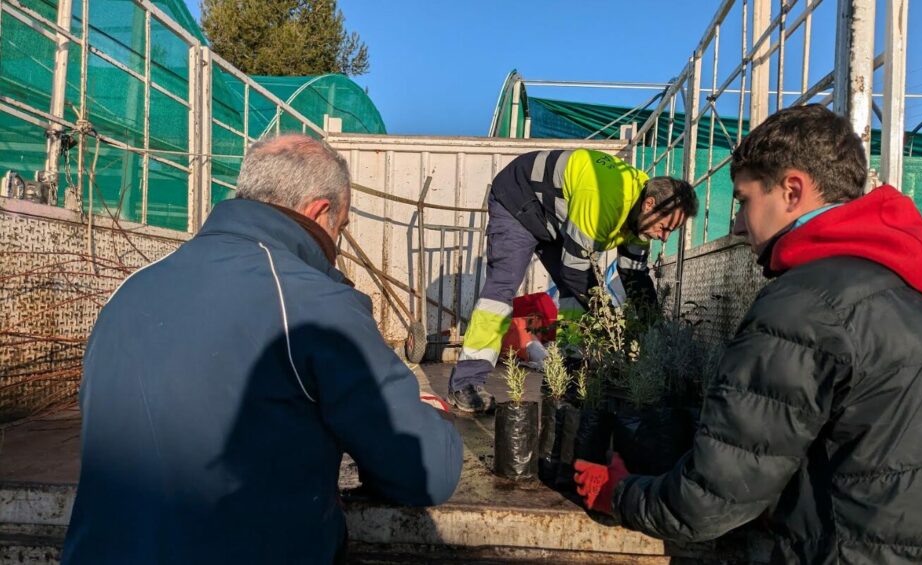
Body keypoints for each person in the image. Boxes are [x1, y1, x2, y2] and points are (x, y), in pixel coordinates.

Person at [573, 105, 922, 563]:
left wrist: (619, 492)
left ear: (792, 190)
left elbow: (714, 499)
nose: (738, 224)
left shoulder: (806, 305)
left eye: (744, 201)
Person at [63, 135, 463, 564]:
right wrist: (429, 408)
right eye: (342, 227)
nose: (339, 242)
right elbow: (426, 472)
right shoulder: (314, 302)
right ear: (320, 212)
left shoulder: (128, 291)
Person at [448, 148, 698, 413]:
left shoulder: (642, 220)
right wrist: (608, 320)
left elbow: (634, 278)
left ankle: (568, 376)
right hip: (519, 200)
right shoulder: (604, 197)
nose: (664, 238)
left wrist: (654, 329)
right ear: (650, 204)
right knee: (502, 288)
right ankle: (466, 383)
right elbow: (575, 270)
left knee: (574, 298)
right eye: (665, 227)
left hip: (555, 217)